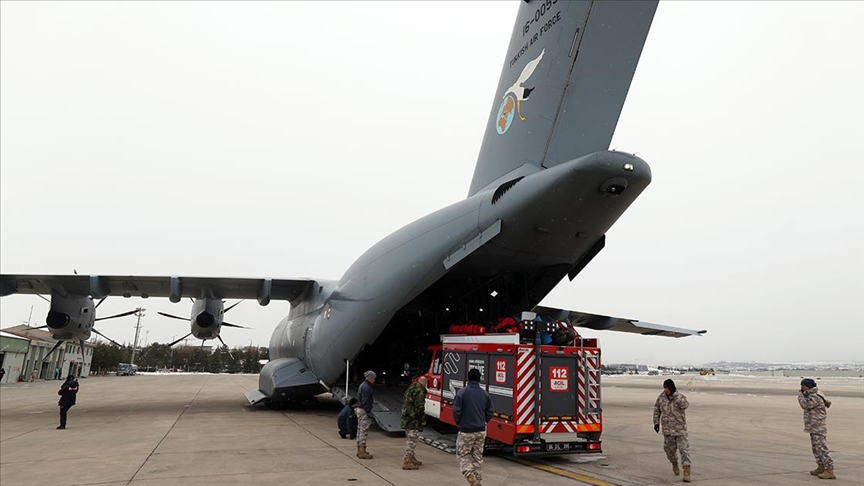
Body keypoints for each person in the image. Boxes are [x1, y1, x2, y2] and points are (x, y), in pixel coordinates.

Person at [453, 368, 493, 486]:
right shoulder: (485, 394)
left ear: (468, 378)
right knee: (477, 456)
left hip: (466, 430)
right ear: (479, 378)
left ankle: (470, 476)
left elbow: (456, 411)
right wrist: (484, 420)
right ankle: (478, 480)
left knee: (463, 455)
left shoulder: (462, 393)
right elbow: (490, 411)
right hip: (480, 430)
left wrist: (459, 422)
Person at [653, 378, 691, 482]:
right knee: (669, 450)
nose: (666, 390)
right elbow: (656, 409)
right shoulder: (661, 398)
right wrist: (656, 423)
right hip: (668, 430)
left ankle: (686, 471)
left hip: (680, 430)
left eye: (668, 388)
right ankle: (674, 462)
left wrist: (676, 397)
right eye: (665, 388)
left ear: (672, 388)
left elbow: (685, 405)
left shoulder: (679, 397)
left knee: (684, 450)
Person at [799, 378, 835, 479]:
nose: (801, 388)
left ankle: (829, 470)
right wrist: (805, 394)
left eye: (803, 386)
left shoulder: (815, 396)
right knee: (816, 448)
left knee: (822, 448)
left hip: (818, 427)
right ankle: (821, 466)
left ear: (807, 386)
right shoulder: (811, 394)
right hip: (813, 426)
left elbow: (805, 405)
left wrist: (801, 395)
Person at [400, 376, 428, 470]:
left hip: (407, 416)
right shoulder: (420, 390)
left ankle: (411, 457)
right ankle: (407, 460)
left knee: (411, 437)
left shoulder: (411, 387)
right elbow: (420, 407)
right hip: (413, 418)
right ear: (424, 383)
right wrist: (422, 419)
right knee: (412, 439)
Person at [356, 370, 376, 459]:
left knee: (360, 430)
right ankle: (361, 450)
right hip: (364, 411)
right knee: (363, 432)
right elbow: (366, 401)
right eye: (374, 378)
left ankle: (360, 449)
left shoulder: (363, 385)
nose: (374, 380)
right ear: (371, 378)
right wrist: (368, 412)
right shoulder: (367, 388)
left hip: (360, 410)